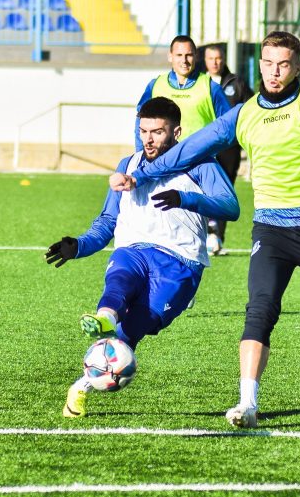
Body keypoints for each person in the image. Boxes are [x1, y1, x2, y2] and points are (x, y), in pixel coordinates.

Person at [110, 31, 300, 429]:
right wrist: (139, 174)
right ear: (259, 65)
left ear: (297, 67)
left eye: (283, 65)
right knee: (259, 310)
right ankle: (248, 404)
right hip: (272, 230)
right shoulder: (244, 113)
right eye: (268, 64)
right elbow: (192, 148)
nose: (274, 72)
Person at [46, 96, 240, 419]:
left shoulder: (201, 165)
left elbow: (230, 207)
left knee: (134, 330)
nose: (148, 139)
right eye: (143, 131)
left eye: (157, 132)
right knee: (121, 278)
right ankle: (105, 316)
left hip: (180, 262)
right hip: (134, 249)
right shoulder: (129, 165)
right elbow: (108, 221)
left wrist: (185, 199)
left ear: (176, 133)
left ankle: (81, 385)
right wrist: (79, 245)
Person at [202, 43, 252, 255]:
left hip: (229, 146)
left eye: (218, 58)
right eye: (211, 58)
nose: (215, 62)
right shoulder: (199, 83)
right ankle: (201, 235)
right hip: (204, 145)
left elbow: (250, 109)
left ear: (223, 59)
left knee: (224, 191)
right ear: (205, 61)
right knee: (202, 190)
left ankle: (218, 239)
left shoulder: (236, 83)